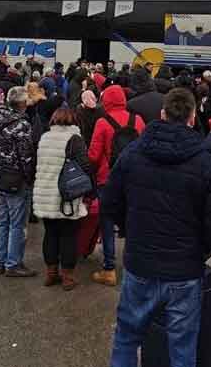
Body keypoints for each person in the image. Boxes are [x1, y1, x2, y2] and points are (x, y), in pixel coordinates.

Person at [103, 88, 211, 367]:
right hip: (184, 269)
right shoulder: (205, 164)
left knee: (126, 338)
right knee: (182, 346)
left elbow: (110, 202)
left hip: (140, 262)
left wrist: (130, 230)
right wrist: (200, 249)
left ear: (162, 114)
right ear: (193, 117)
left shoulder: (133, 153)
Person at [88, 85, 146, 286]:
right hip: (134, 179)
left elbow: (94, 156)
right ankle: (133, 268)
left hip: (108, 180)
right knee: (133, 222)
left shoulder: (102, 122)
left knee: (106, 222)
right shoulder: (138, 120)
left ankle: (109, 269)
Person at [33, 107, 92, 291]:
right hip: (66, 196)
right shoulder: (75, 139)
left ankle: (51, 273)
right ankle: (67, 276)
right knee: (68, 236)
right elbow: (85, 167)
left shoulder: (45, 138)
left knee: (50, 234)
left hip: (45, 193)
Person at [0, 86, 38, 277]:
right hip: (17, 179)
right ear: (22, 104)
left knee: (3, 222)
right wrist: (30, 178)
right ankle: (13, 263)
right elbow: (26, 156)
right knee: (17, 224)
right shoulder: (21, 125)